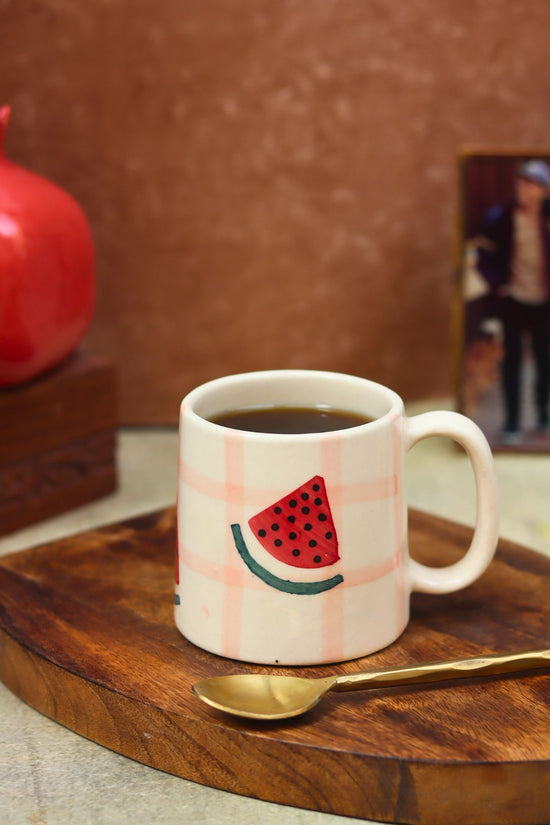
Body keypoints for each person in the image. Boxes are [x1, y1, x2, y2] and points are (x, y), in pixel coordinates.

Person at [477, 159, 550, 444]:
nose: (525, 190)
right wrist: (499, 285)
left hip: (544, 302)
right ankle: (512, 422)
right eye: (522, 183)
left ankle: (543, 413)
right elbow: (482, 255)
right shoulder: (501, 217)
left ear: (544, 191)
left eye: (532, 185)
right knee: (512, 361)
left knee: (544, 359)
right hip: (513, 300)